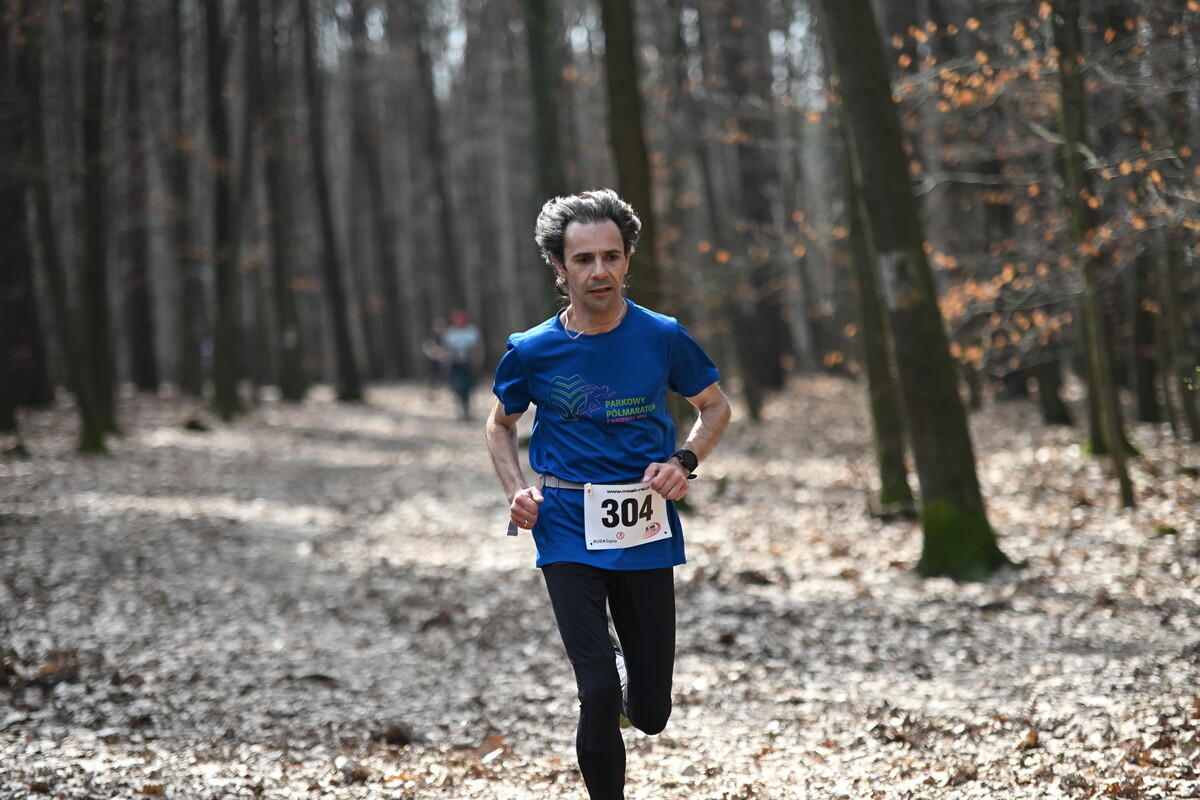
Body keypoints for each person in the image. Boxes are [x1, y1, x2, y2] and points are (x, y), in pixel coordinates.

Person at [484, 189, 731, 800]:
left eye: (612, 257)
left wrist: (685, 460)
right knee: (594, 693)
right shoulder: (532, 349)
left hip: (643, 523)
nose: (600, 271)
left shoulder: (662, 336)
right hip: (565, 522)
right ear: (559, 268)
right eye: (584, 259)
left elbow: (715, 407)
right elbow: (499, 423)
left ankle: (631, 679)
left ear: (627, 261)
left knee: (649, 712)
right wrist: (517, 493)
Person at [441, 309, 482, 420]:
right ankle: (460, 409)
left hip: (468, 362)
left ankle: (467, 409)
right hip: (455, 362)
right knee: (456, 386)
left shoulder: (472, 331)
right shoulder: (449, 333)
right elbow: (446, 349)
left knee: (468, 386)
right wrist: (446, 363)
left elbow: (478, 347)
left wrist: (477, 361)